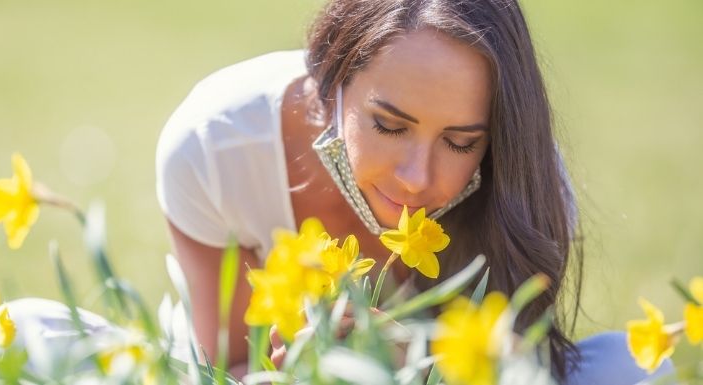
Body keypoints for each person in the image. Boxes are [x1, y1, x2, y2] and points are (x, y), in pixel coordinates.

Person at [155, 0, 675, 384]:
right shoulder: (215, 144)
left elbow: (524, 368)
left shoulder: (526, 187)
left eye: (459, 141)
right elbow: (227, 365)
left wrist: (412, 352)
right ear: (331, 76)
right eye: (388, 126)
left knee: (634, 368)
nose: (416, 178)